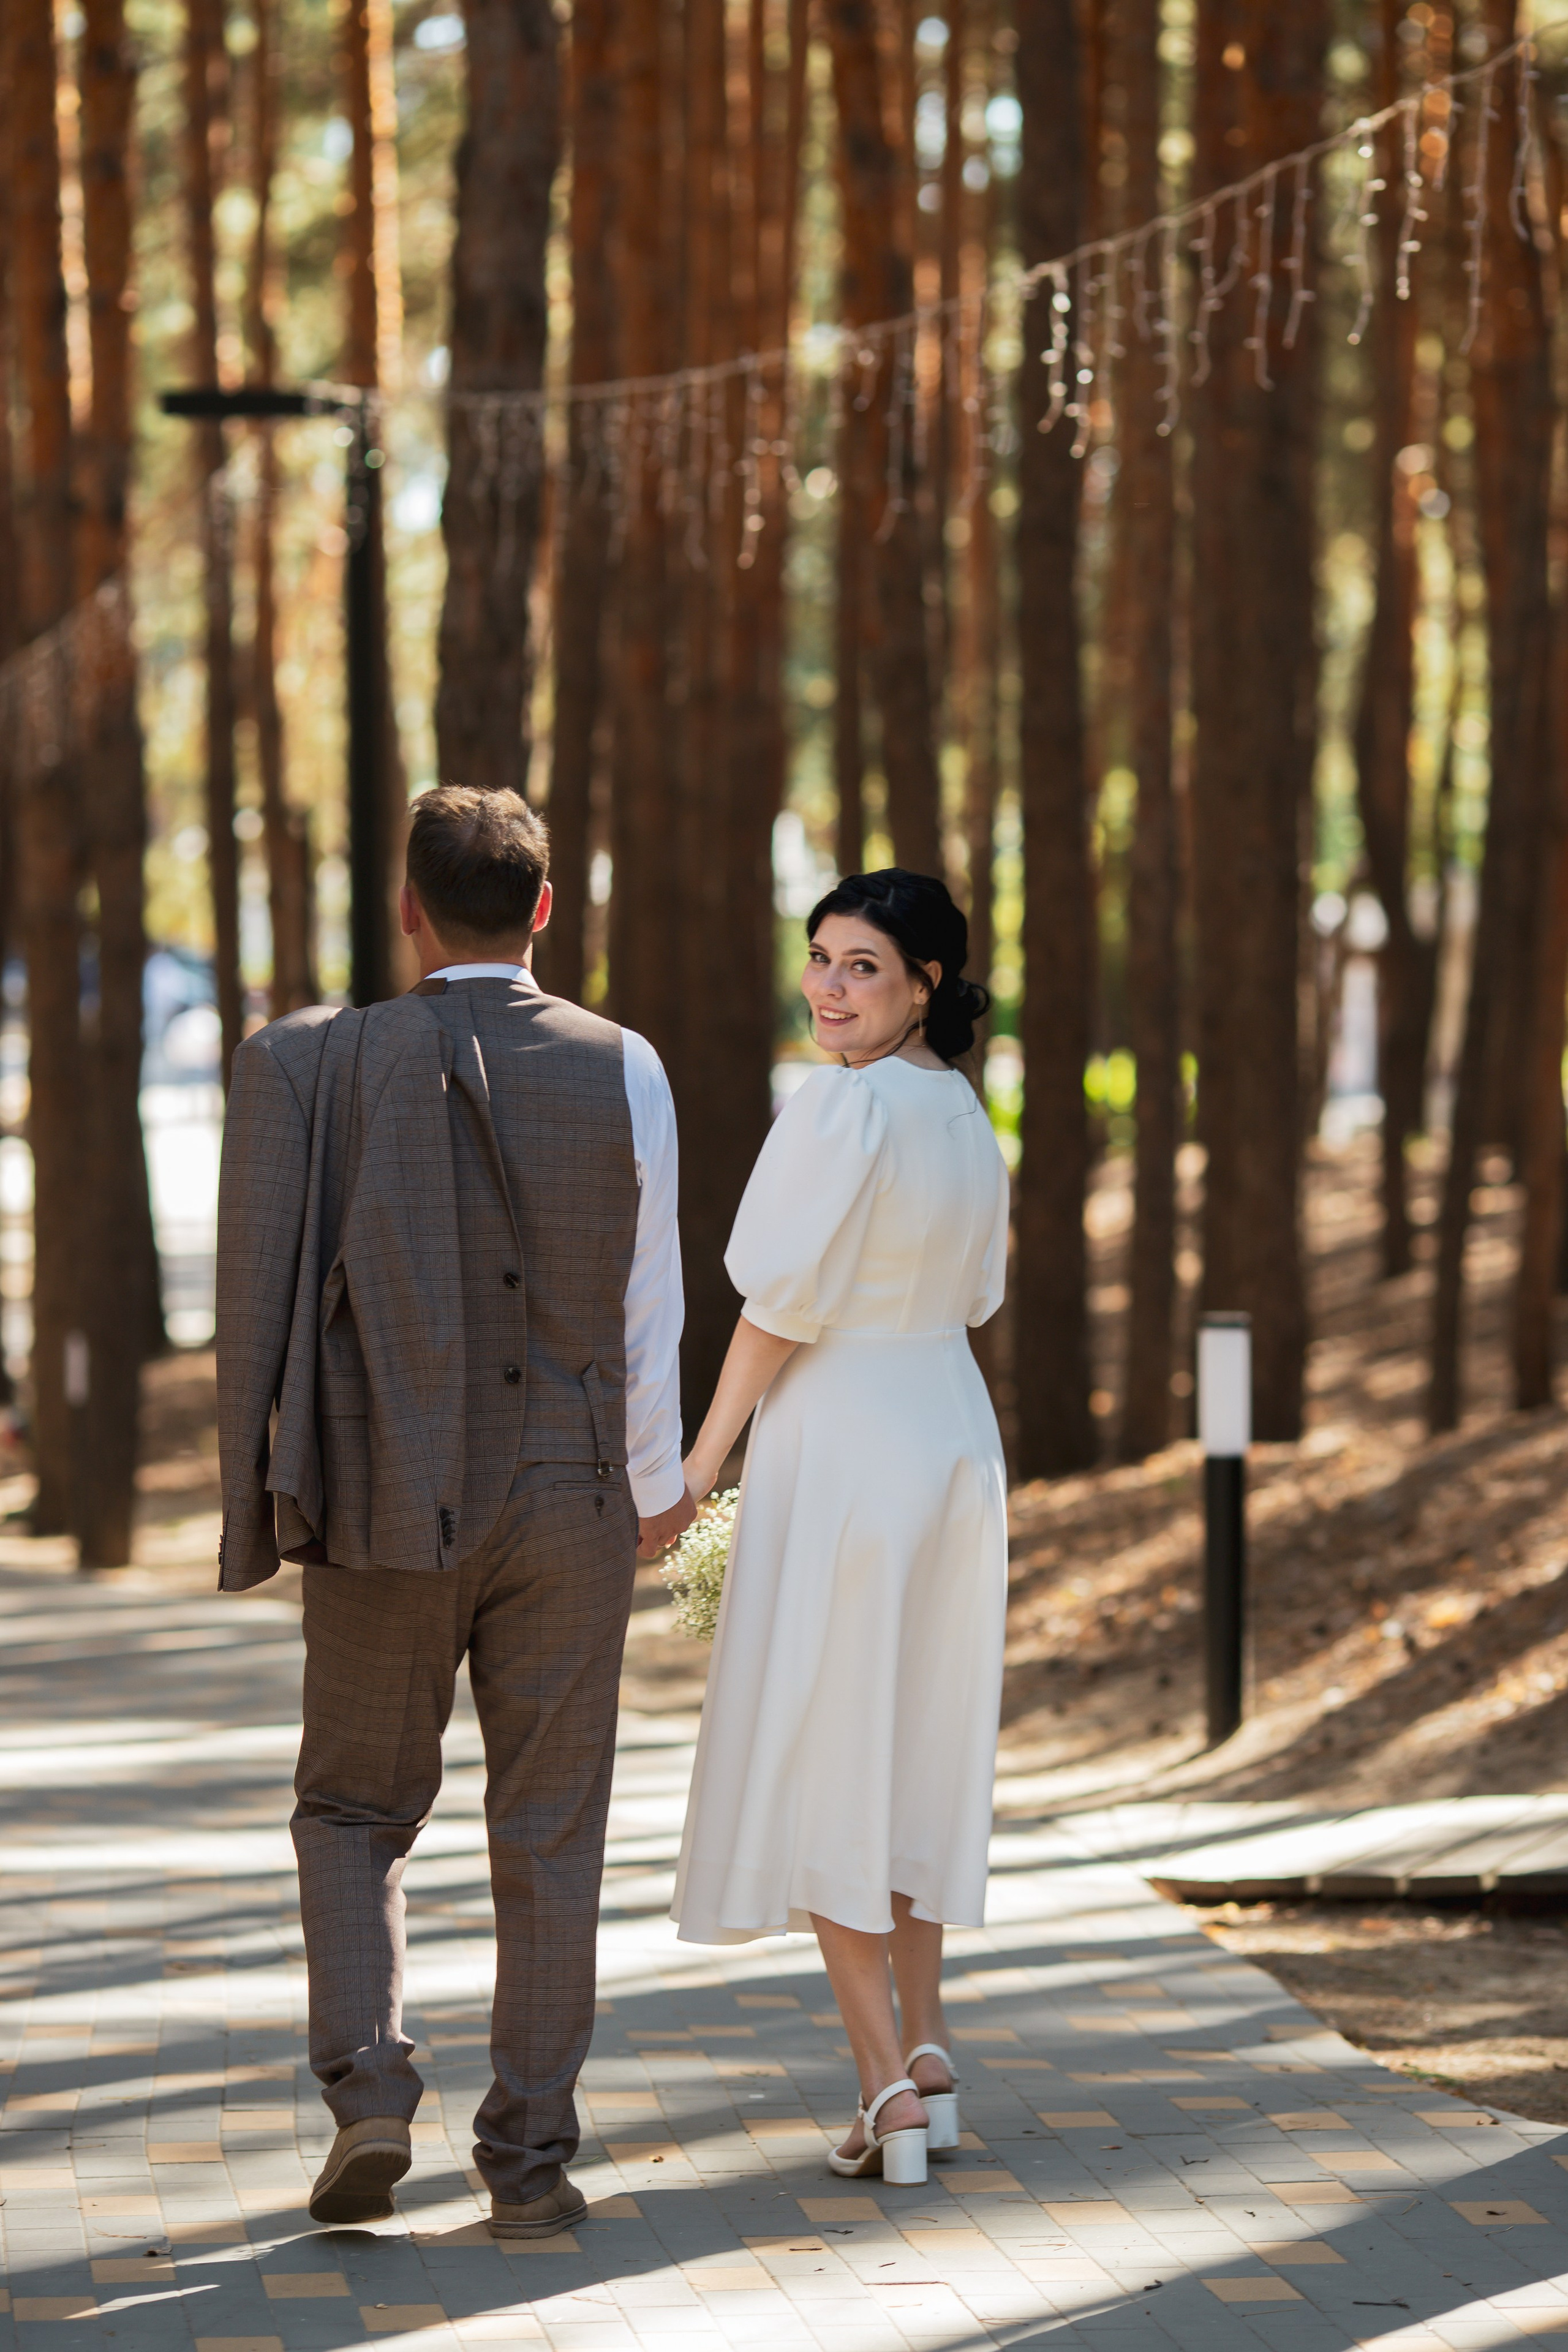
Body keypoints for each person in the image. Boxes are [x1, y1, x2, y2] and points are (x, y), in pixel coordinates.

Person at [215, 785, 693, 2239]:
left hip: (380, 1494)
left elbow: (256, 1297)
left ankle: (369, 2087)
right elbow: (648, 1299)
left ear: (407, 910)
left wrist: (260, 1491)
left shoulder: (318, 1060)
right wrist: (654, 1488)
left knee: (354, 1807)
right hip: (570, 1496)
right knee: (551, 1831)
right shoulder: (628, 1068)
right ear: (544, 908)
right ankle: (533, 2166)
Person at [671, 869, 1010, 2186]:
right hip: (949, 1433)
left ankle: (883, 2088)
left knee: (830, 1742)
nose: (826, 986)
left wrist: (700, 1466)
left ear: (924, 983)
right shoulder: (962, 1111)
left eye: (862, 965)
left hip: (848, 1442)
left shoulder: (842, 1107)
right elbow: (976, 1293)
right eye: (818, 958)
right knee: (917, 1735)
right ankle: (925, 2042)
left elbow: (775, 1307)